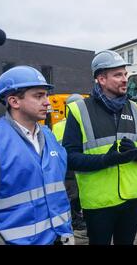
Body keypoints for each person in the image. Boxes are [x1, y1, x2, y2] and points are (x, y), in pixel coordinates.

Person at [62, 50, 137, 245]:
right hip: (99, 204)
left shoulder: (134, 108)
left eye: (125, 74)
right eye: (118, 75)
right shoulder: (80, 110)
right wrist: (107, 160)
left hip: (132, 199)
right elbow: (70, 157)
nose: (124, 79)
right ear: (101, 79)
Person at [0, 66, 73, 245]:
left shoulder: (49, 136)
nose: (47, 102)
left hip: (59, 238)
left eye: (46, 95)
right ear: (14, 101)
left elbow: (61, 190)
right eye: (38, 96)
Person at [52, 93, 86, 231]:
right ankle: (76, 220)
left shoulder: (57, 125)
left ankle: (74, 218)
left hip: (65, 165)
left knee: (71, 194)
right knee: (75, 194)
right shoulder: (81, 124)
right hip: (75, 165)